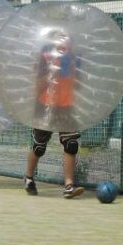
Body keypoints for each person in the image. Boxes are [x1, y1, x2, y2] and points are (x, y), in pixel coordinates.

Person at [23, 31, 85, 198]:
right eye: (60, 39)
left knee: (71, 144)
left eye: (67, 39)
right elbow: (37, 87)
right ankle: (28, 177)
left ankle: (69, 185)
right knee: (39, 147)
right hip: (45, 105)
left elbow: (78, 86)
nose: (64, 42)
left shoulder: (75, 59)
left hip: (66, 106)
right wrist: (53, 71)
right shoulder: (45, 58)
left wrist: (73, 71)